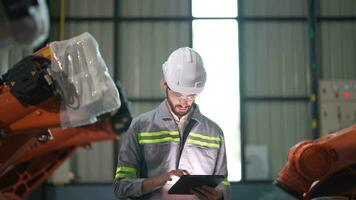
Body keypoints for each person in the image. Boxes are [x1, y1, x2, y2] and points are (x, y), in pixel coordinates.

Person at [113, 47, 230, 200]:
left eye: (191, 95)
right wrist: (158, 181)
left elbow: (224, 183)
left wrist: (219, 195)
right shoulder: (140, 127)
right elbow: (121, 187)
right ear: (165, 84)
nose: (184, 101)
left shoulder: (215, 133)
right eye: (178, 94)